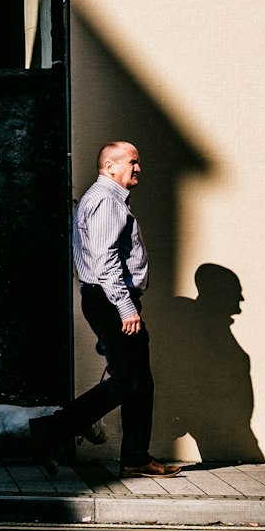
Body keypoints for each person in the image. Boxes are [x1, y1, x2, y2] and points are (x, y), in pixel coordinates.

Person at [30, 141, 181, 479]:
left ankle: (136, 456)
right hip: (112, 300)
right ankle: (50, 430)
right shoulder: (106, 202)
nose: (139, 167)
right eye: (133, 161)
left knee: (140, 381)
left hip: (110, 300)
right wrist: (126, 307)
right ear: (111, 166)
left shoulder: (106, 200)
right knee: (128, 381)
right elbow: (105, 261)